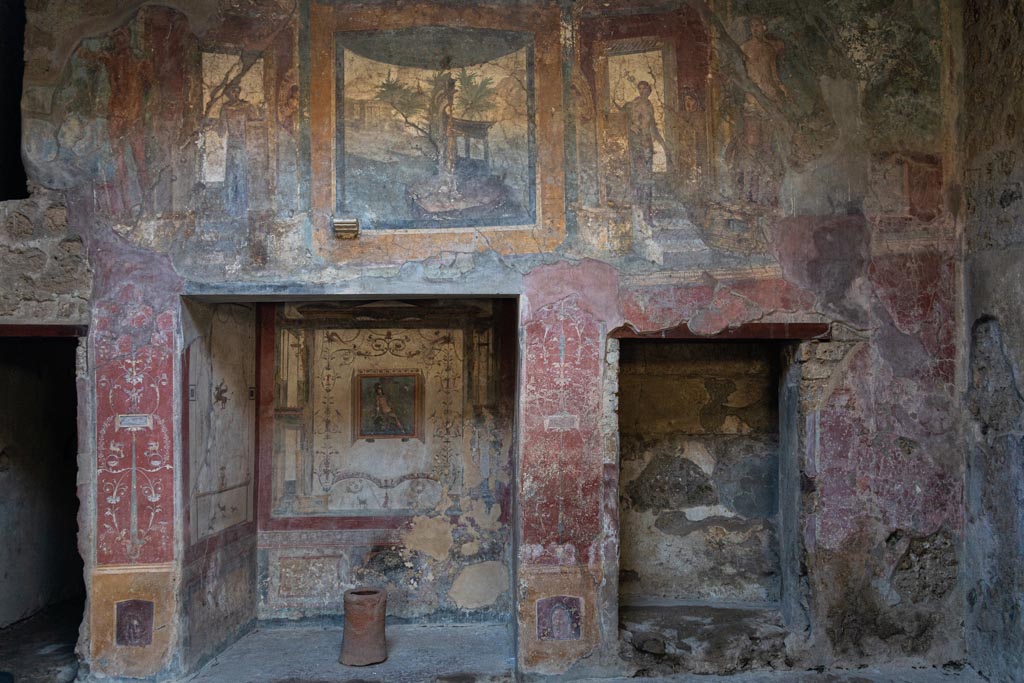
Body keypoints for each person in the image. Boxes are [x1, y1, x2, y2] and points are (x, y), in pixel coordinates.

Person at [621, 81, 669, 222]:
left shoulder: (649, 106)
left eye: (645, 88)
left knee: (647, 182)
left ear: (649, 90)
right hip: (637, 146)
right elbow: (624, 122)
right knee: (638, 181)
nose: (642, 91)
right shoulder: (633, 105)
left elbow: (653, 128)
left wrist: (664, 145)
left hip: (647, 146)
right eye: (640, 88)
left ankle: (647, 217)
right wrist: (631, 127)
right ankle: (639, 218)